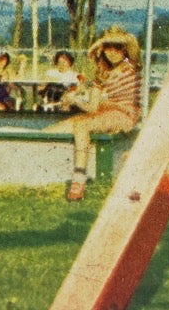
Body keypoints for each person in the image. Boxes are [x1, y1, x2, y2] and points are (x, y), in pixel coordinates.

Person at [47, 26, 142, 201]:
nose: (113, 52)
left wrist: (101, 42)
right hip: (105, 114)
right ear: (102, 50)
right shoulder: (101, 76)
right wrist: (75, 100)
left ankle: (78, 179)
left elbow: (133, 45)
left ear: (125, 49)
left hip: (124, 114)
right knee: (60, 127)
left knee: (82, 124)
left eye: (118, 48)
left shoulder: (130, 66)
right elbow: (92, 107)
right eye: (108, 47)